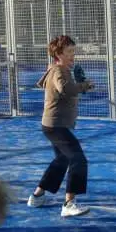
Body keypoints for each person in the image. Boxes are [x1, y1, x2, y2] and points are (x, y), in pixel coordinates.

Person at [27, 35, 94, 217]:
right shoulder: (59, 71)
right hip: (56, 126)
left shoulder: (61, 69)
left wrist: (81, 85)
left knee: (62, 159)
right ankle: (69, 204)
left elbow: (65, 88)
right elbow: (65, 89)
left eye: (74, 51)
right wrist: (83, 85)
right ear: (58, 54)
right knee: (78, 159)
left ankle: (37, 196)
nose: (73, 55)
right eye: (69, 52)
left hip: (53, 125)